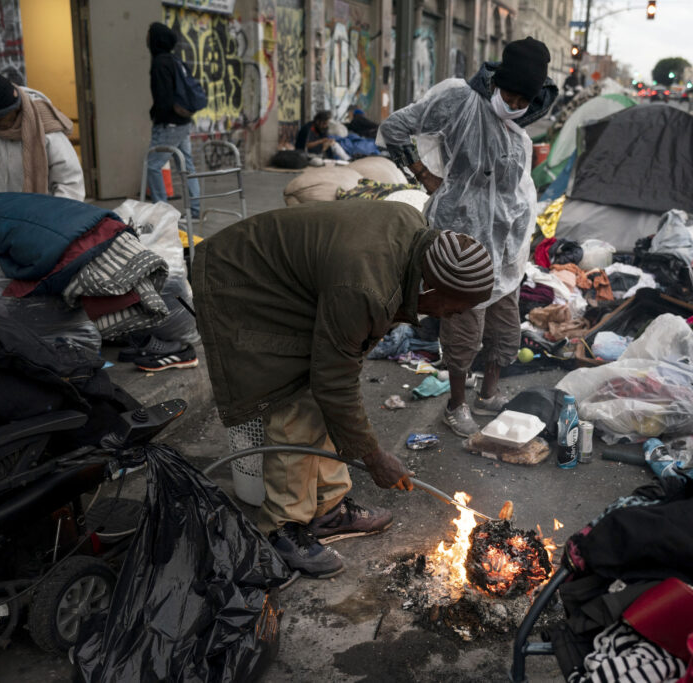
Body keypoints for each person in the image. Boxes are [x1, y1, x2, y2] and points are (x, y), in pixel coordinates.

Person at [192, 201, 494, 578]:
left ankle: (328, 509)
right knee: (296, 397)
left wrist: (362, 444)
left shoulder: (414, 233)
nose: (455, 317)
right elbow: (332, 382)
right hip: (242, 280)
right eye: (454, 308)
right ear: (430, 287)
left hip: (296, 281)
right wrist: (373, 457)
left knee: (328, 398)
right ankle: (282, 528)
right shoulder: (365, 287)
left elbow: (340, 376)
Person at [378, 37, 556, 438]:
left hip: (507, 242)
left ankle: (488, 395)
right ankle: (455, 405)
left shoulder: (520, 131)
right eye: (507, 94)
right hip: (463, 237)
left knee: (505, 326)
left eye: (521, 99)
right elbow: (394, 129)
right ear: (496, 82)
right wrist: (423, 174)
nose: (511, 103)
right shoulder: (459, 99)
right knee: (464, 325)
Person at [0, 69, 84, 200]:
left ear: (15, 108)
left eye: (0, 118)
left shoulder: (43, 124)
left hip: (44, 213)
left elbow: (69, 181)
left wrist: (59, 216)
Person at [145, 22, 200, 219]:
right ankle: (195, 210)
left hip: (169, 124)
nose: (146, 39)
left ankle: (162, 212)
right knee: (187, 165)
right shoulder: (175, 60)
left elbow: (163, 98)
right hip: (184, 122)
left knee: (152, 165)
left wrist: (157, 117)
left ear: (156, 40)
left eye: (149, 35)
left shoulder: (160, 62)